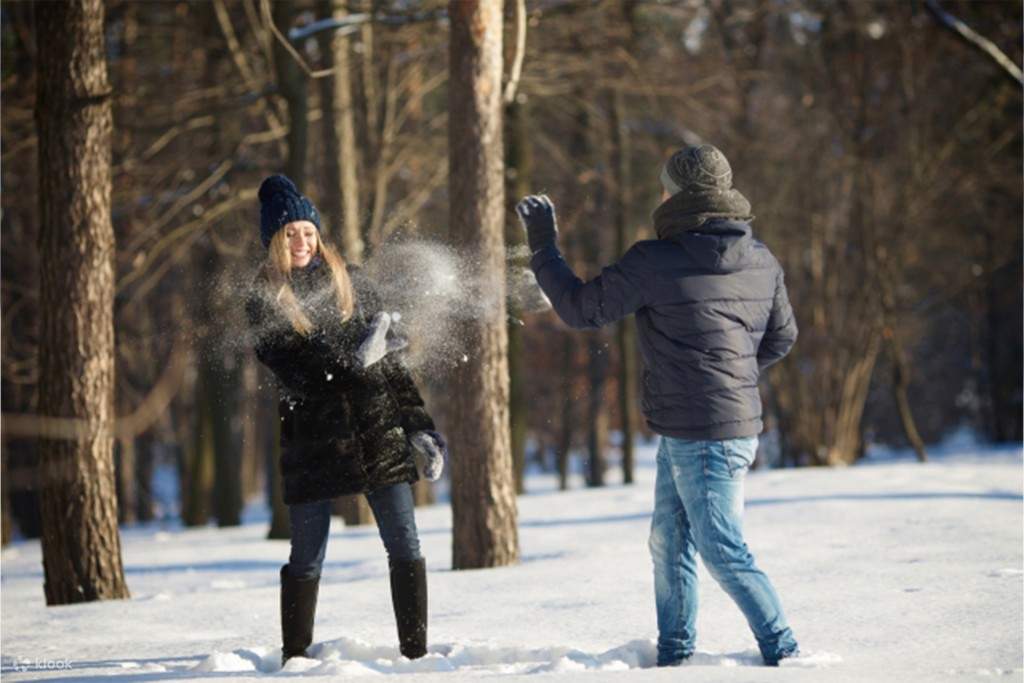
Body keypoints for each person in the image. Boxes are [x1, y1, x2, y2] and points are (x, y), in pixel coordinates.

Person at [515, 144, 800, 667]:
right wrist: (730, 378)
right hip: (698, 426)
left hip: (706, 430)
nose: (659, 193)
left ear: (676, 195)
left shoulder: (655, 260)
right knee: (669, 542)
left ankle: (786, 652)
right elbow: (783, 338)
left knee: (720, 548)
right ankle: (675, 654)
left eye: (664, 186)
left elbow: (581, 309)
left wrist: (543, 246)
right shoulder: (761, 258)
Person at [245, 174, 447, 665]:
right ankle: (294, 659)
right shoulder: (264, 300)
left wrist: (420, 427)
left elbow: (391, 364)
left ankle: (416, 656)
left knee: (406, 544)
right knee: (306, 557)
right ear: (274, 240)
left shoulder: (351, 279)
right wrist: (355, 359)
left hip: (378, 432)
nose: (301, 242)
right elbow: (297, 372)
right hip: (313, 446)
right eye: (290, 233)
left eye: (308, 232)